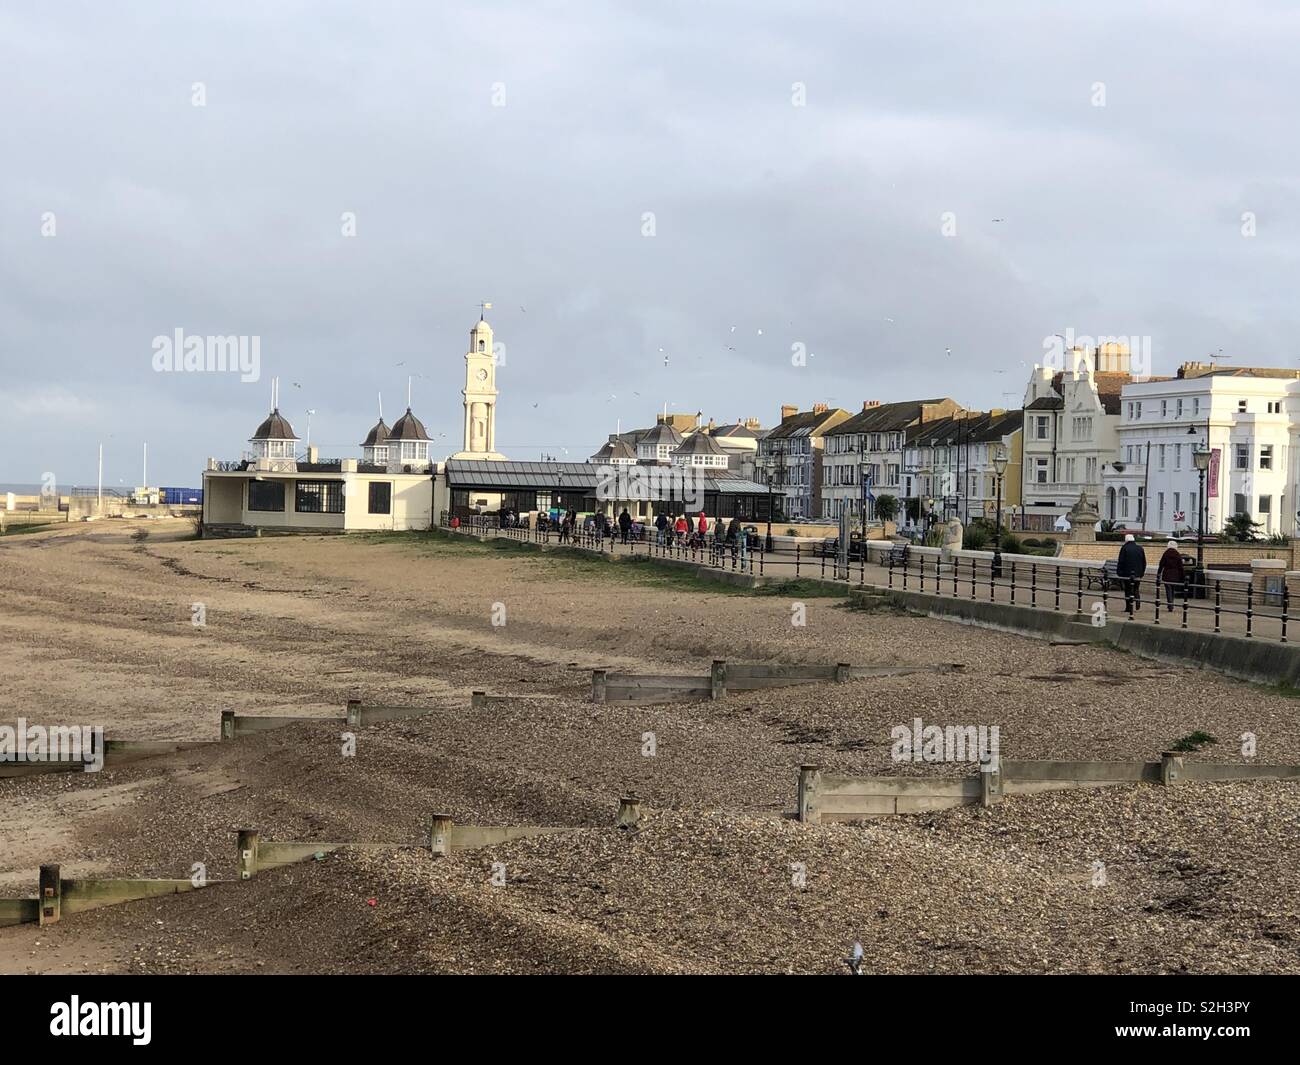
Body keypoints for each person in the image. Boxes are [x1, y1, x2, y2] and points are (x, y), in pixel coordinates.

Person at [1116, 533, 1147, 616]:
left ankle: (1129, 607)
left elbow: (1121, 561)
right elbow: (1144, 562)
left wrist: (1119, 572)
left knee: (1128, 590)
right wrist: (1141, 572)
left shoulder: (1124, 548)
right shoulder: (1140, 548)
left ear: (1126, 540)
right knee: (1136, 588)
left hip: (1127, 574)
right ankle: (1137, 600)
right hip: (1137, 574)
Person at [1157, 539, 1186, 609]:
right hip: (1175, 575)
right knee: (1173, 590)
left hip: (1167, 574)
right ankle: (1171, 603)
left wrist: (1159, 573)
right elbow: (1181, 567)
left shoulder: (1166, 554)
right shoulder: (1178, 554)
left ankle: (1170, 604)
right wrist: (1183, 576)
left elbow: (1161, 564)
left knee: (1168, 590)